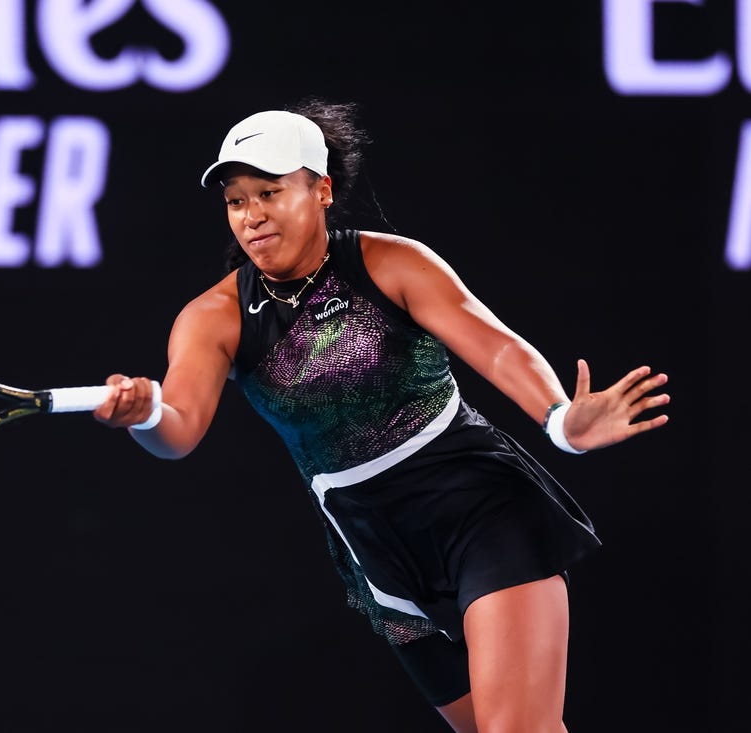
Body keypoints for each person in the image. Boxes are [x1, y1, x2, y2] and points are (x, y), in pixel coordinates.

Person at [92, 98, 670, 733]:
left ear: (322, 191)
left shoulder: (393, 263)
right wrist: (145, 417)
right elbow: (179, 429)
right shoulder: (213, 318)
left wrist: (559, 419)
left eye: (270, 192)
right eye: (235, 201)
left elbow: (496, 346)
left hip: (482, 509)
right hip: (374, 553)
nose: (251, 215)